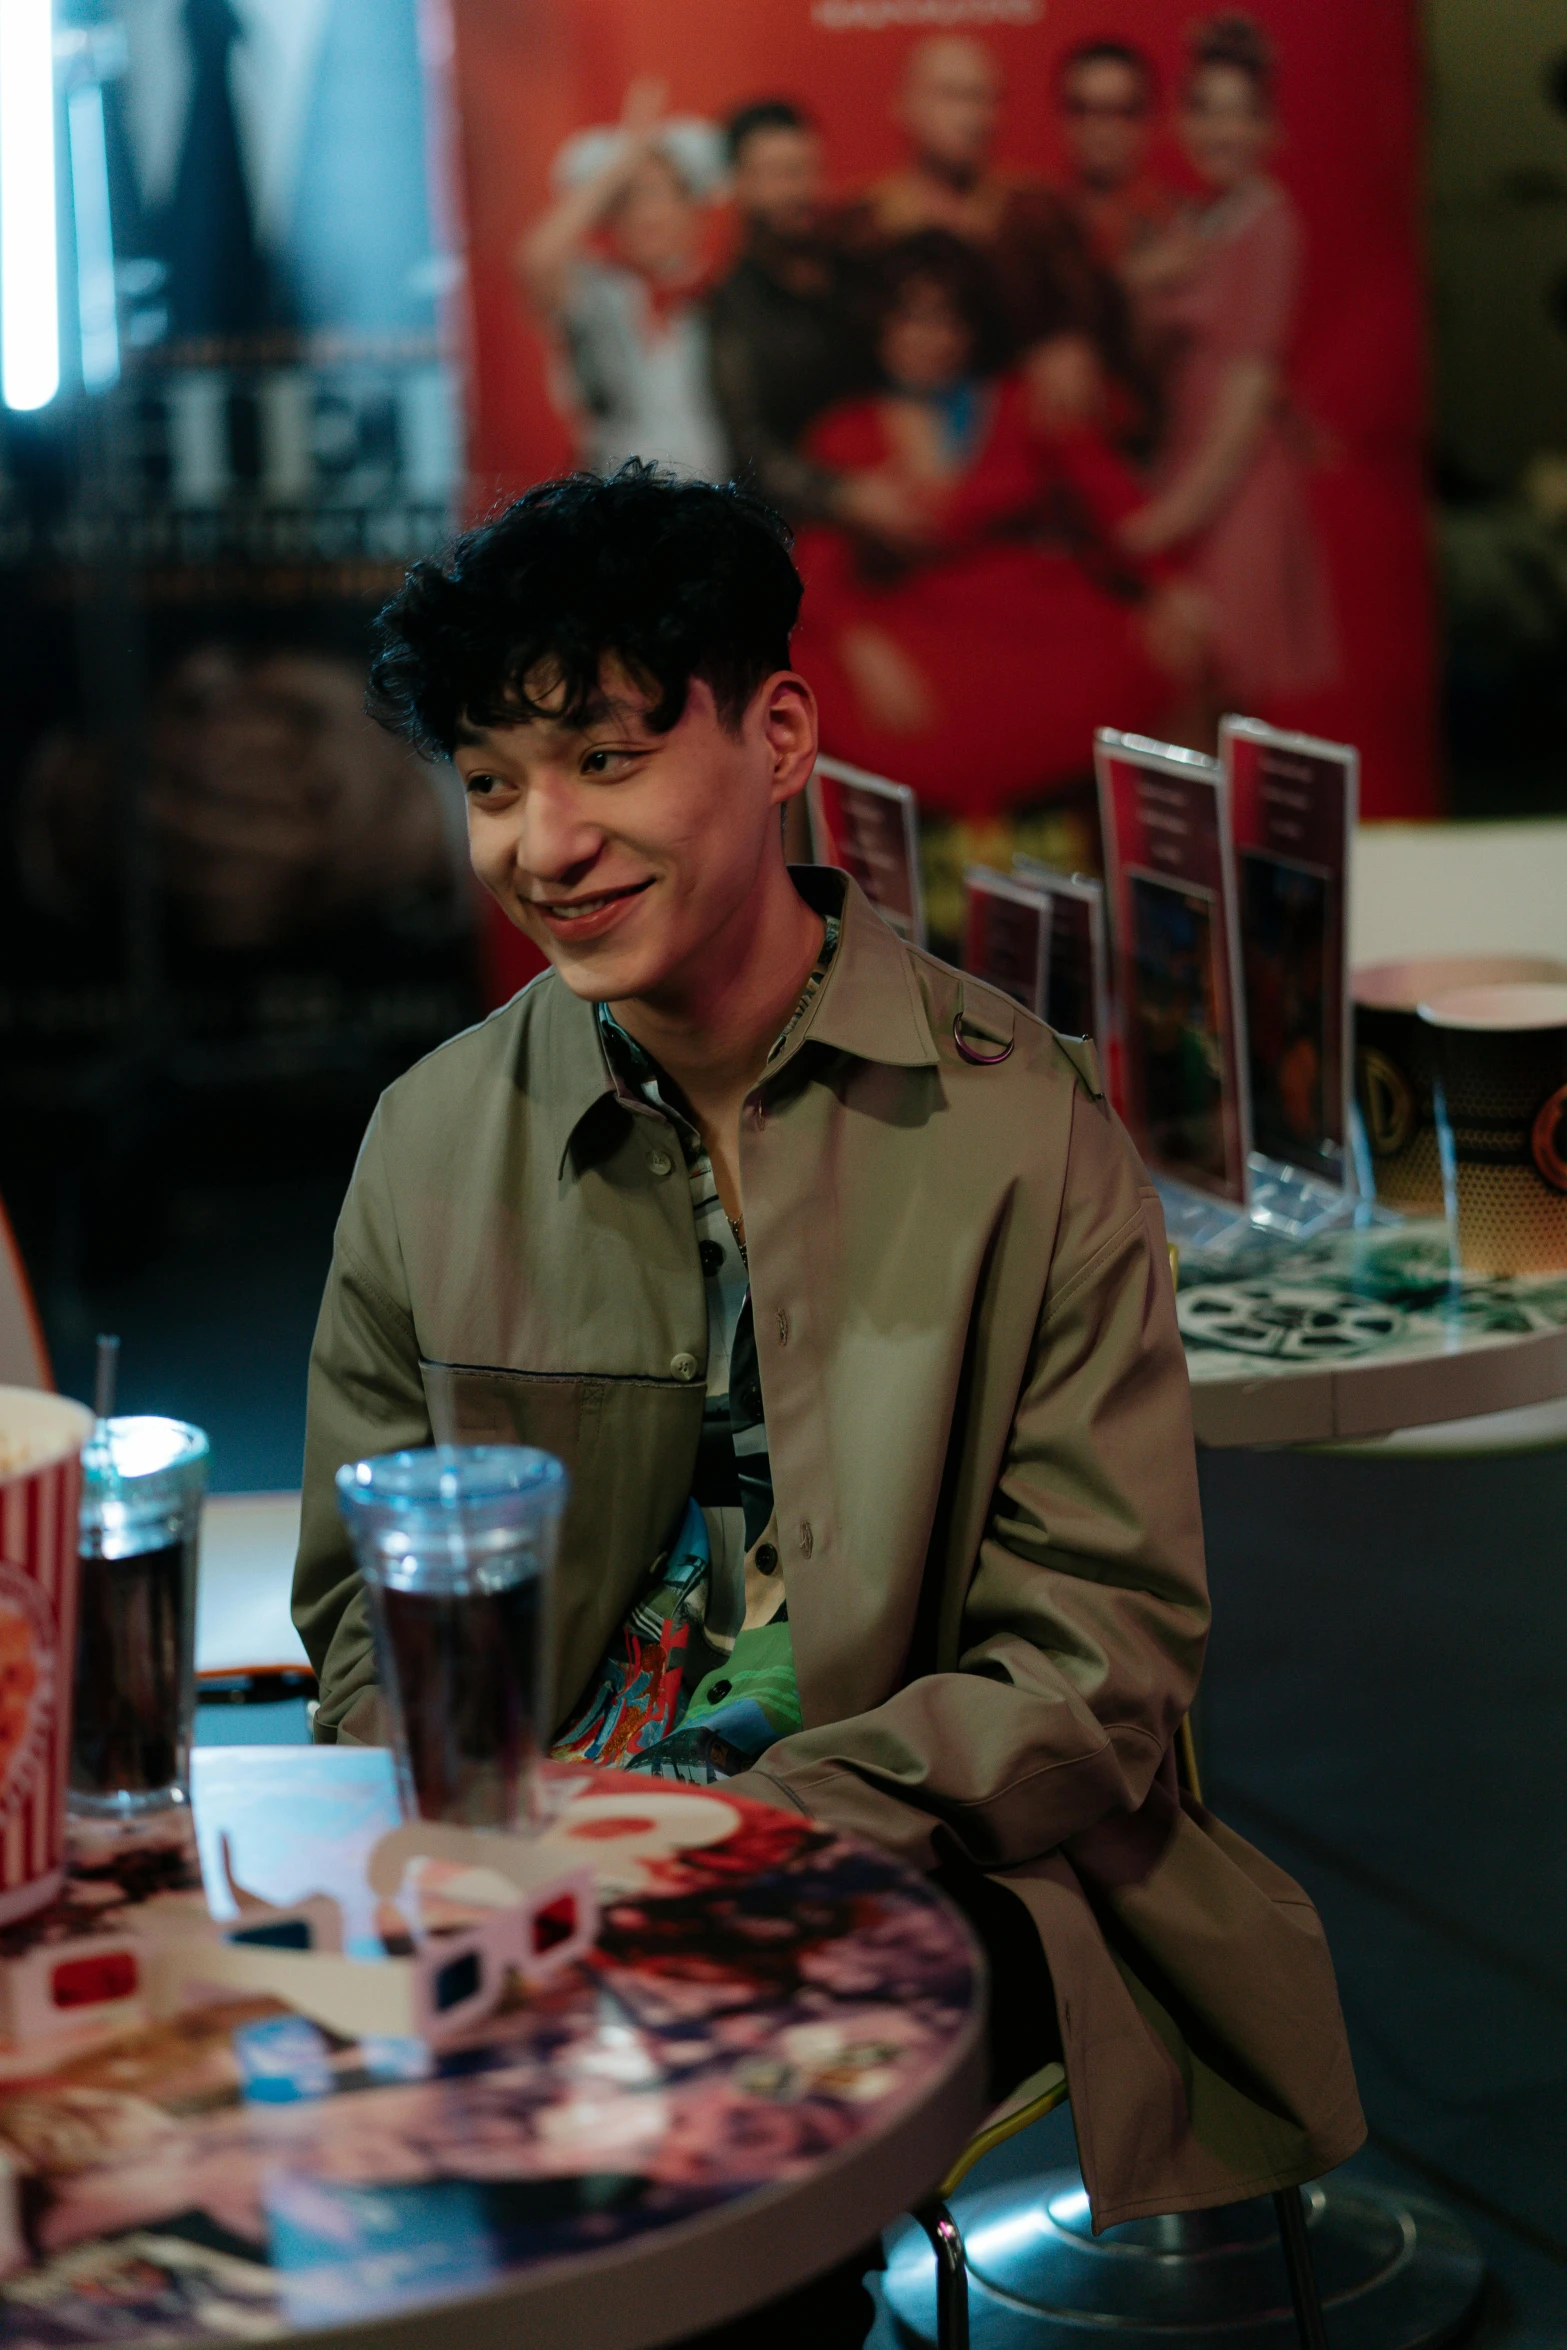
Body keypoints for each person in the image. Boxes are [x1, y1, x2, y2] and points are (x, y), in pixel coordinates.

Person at [291, 465, 1363, 2347]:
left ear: (777, 734)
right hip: (521, 1878)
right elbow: (357, 1603)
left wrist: (732, 1835)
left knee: (669, 2207)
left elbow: (1097, 1662)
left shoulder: (1020, 1128)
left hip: (937, 1869)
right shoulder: (432, 1139)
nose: (543, 841)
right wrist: (466, 1839)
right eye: (487, 785)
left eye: (605, 762)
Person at [789, 229, 1207, 943]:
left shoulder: (1023, 404)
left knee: (1169, 666)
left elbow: (1111, 500)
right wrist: (861, 645)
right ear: (879, 327)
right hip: (913, 623)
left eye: (946, 318)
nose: (929, 337)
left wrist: (1168, 589)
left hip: (1035, 615)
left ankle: (1154, 935)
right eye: (910, 317)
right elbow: (815, 569)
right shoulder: (847, 432)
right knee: (819, 688)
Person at [1118, 15, 1339, 705]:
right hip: (1183, 462)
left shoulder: (1270, 226)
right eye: (1205, 111)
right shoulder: (1193, 222)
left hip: (1234, 483)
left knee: (1223, 684)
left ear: (1269, 130)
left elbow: (1247, 394)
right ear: (1180, 121)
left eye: (1241, 117)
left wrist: (1176, 515)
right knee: (1185, 687)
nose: (1221, 133)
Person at [845, 37, 1128, 434]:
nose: (975, 117)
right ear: (903, 105)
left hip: (1022, 435)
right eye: (953, 96)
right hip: (896, 445)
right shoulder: (860, 226)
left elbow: (1094, 317)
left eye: (986, 99)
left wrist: (1075, 343)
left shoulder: (1037, 214)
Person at [515, 79, 729, 480]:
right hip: (611, 505)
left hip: (717, 509)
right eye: (627, 201)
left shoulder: (724, 295)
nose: (647, 216)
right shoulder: (593, 291)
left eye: (658, 195)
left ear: (694, 207)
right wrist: (624, 159)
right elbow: (537, 259)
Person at [705, 100, 891, 532]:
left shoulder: (860, 270)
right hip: (799, 536)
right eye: (779, 174)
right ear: (738, 182)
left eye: (807, 169)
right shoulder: (731, 308)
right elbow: (751, 449)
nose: (800, 189)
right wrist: (842, 495)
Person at [1055, 39, 1180, 279]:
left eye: (1121, 111)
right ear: (1062, 119)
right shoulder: (1035, 226)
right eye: (1083, 109)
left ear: (1150, 119)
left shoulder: (1181, 225)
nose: (1102, 129)